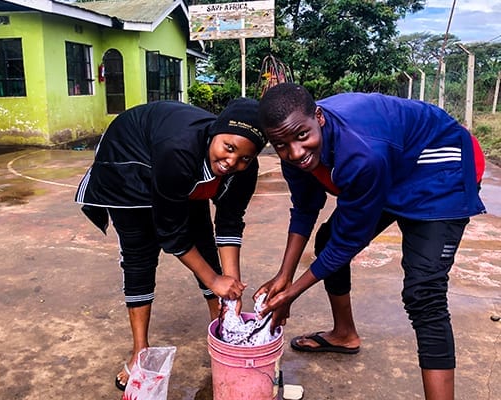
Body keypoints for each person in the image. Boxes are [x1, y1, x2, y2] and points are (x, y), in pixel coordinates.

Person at [254, 83, 486, 399]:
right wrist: (284, 276)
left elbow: (349, 240)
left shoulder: (361, 154)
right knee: (326, 240)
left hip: (440, 163)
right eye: (281, 145)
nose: (295, 152)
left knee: (424, 292)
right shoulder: (291, 141)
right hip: (394, 165)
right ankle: (344, 334)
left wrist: (292, 293)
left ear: (318, 117)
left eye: (301, 137)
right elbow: (306, 207)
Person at [75, 98, 267, 391]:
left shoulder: (244, 168)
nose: (232, 163)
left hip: (175, 170)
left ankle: (222, 328)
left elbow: (229, 221)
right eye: (228, 148)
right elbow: (171, 233)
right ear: (214, 132)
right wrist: (214, 279)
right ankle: (140, 349)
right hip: (129, 160)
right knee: (140, 254)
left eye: (245, 157)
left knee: (203, 242)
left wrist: (230, 285)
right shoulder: (178, 150)